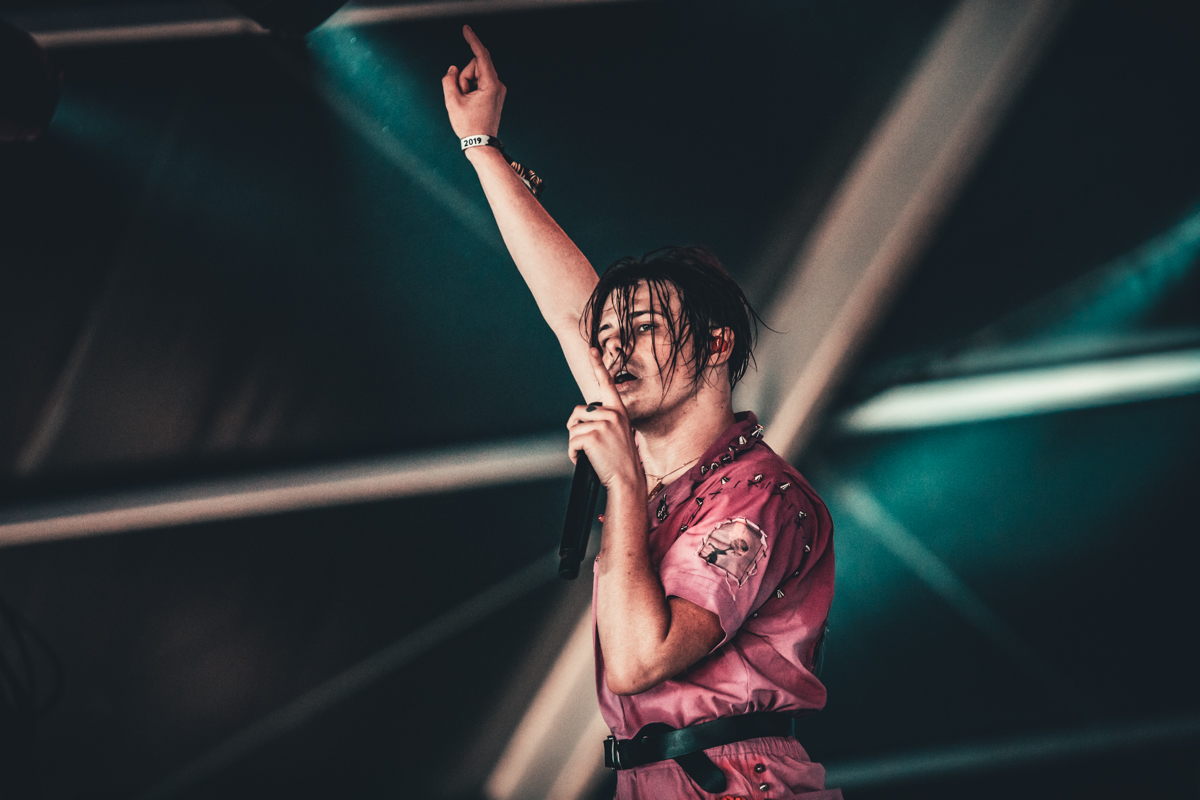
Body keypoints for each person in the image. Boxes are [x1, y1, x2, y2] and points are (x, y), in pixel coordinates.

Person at [442, 26, 841, 800]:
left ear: (718, 343)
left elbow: (639, 660)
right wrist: (480, 145)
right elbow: (570, 314)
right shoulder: (666, 484)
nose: (615, 349)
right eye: (611, 336)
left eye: (647, 328)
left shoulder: (758, 497)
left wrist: (621, 484)